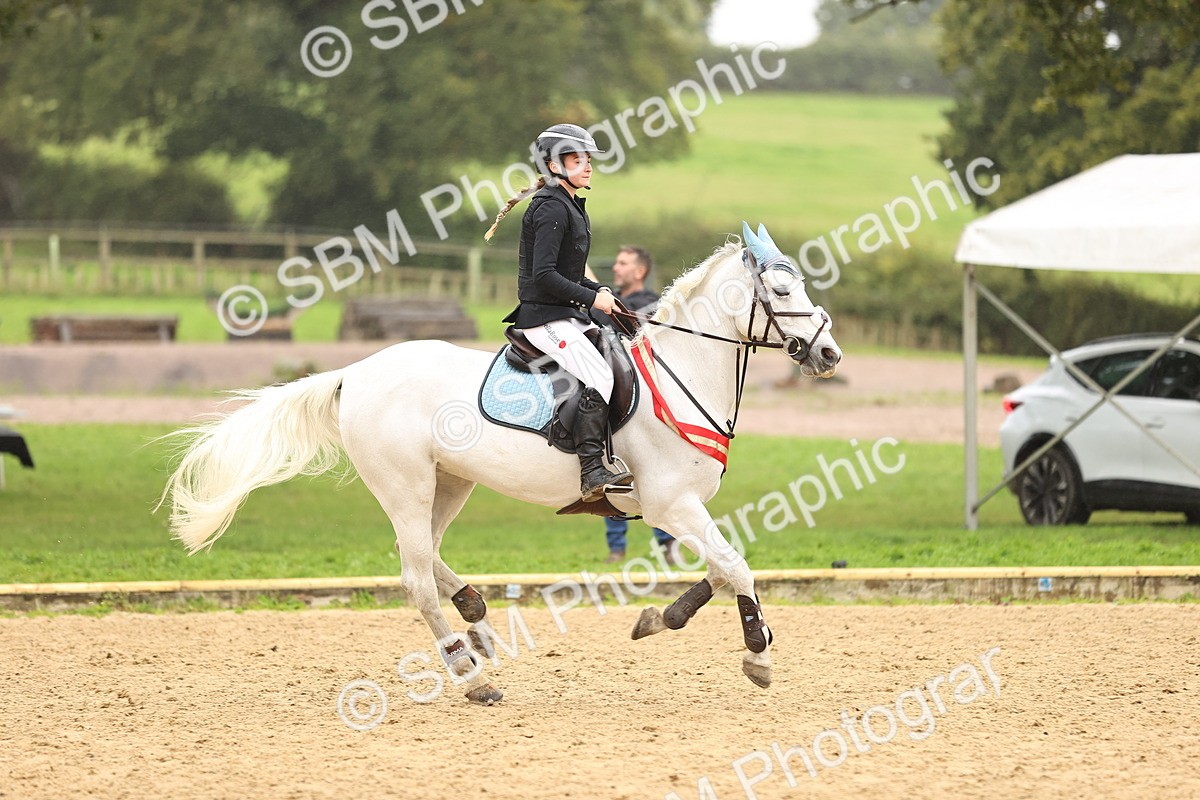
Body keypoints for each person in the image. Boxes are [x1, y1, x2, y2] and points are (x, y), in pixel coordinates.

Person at [485, 123, 634, 503]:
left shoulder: (569, 203)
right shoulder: (552, 206)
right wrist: (592, 300)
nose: (587, 166)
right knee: (600, 375)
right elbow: (544, 276)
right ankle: (591, 471)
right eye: (576, 159)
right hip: (543, 318)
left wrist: (597, 291)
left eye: (588, 159)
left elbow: (567, 272)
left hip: (565, 313)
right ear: (552, 165)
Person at [591, 245, 677, 564]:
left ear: (640, 271)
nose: (616, 267)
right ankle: (616, 548)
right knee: (611, 469)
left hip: (642, 402)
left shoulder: (653, 303)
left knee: (655, 473)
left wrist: (599, 294)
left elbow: (626, 321)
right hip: (610, 397)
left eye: (623, 263)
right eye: (616, 262)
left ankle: (667, 543)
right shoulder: (608, 297)